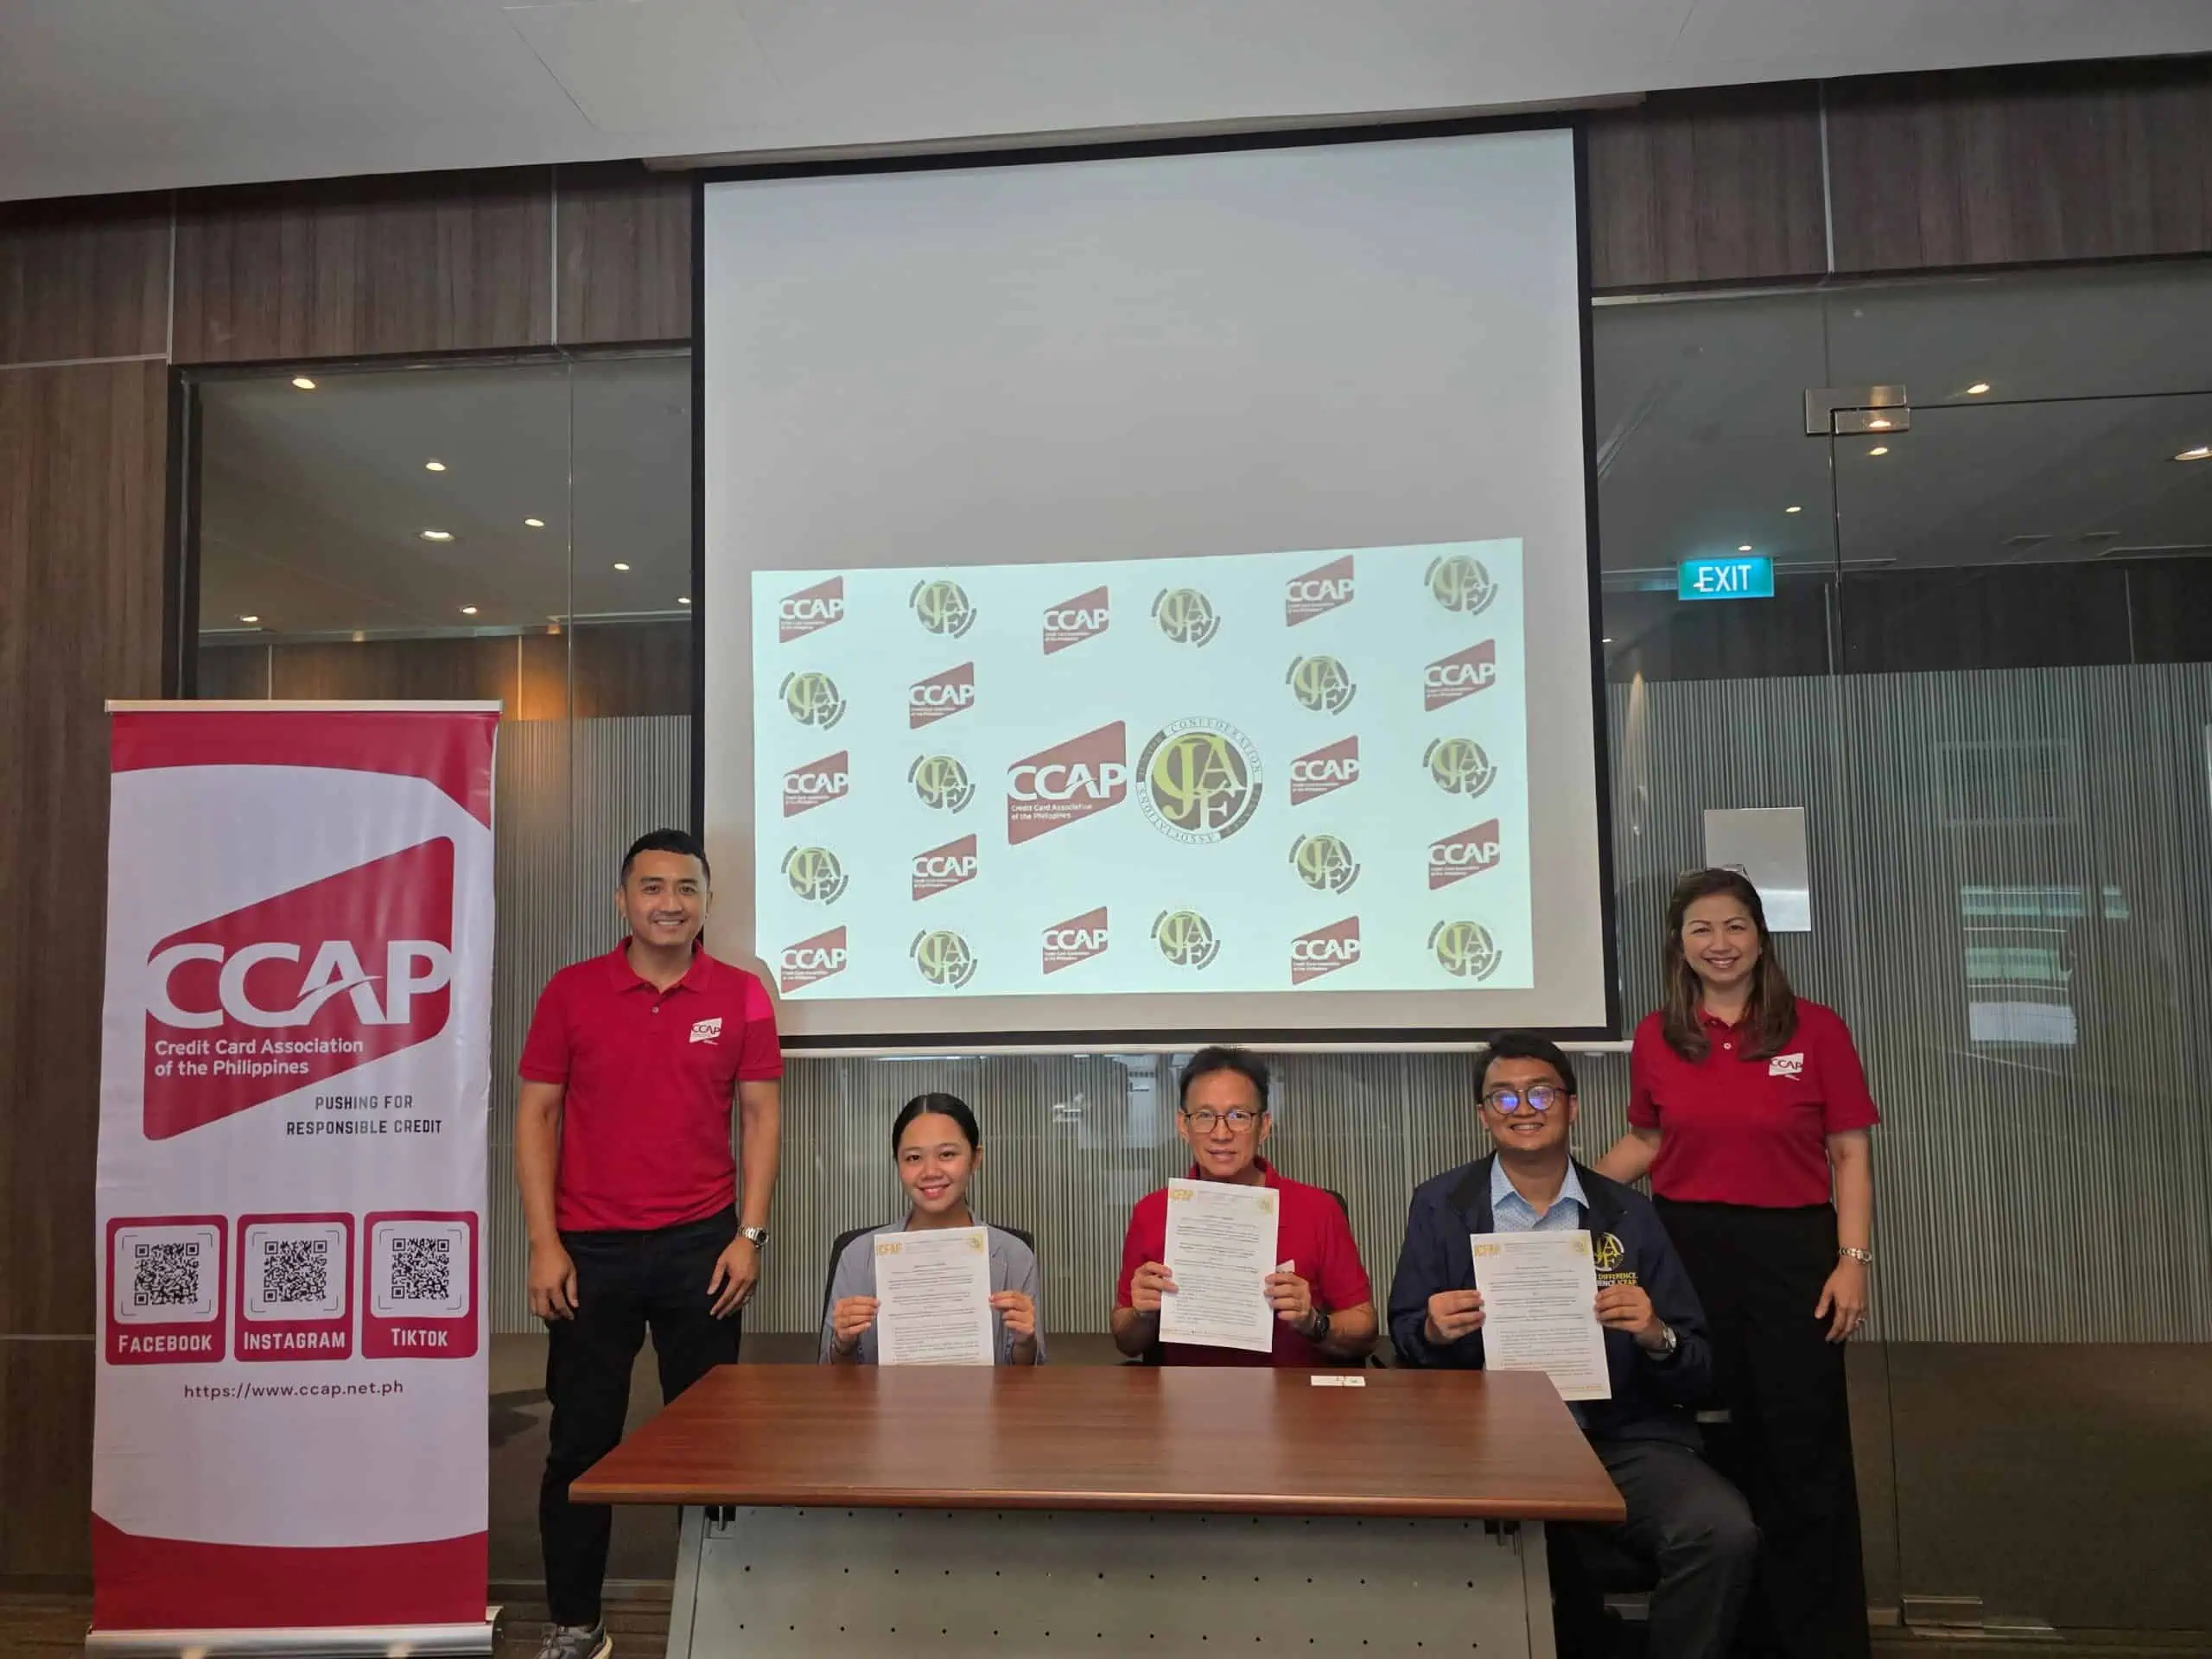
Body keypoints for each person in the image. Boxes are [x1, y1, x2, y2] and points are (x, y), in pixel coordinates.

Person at [1390, 1032, 1756, 1659]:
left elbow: (1697, 1366)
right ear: (1482, 1115)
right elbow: (1405, 1339)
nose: (1523, 1109)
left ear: (1573, 1106)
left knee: (1722, 1533)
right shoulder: (1441, 1205)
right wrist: (1431, 1330)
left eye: (1541, 1093)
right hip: (1485, 1441)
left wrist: (1656, 1335)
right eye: (1503, 1097)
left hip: (1617, 1438)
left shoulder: (1628, 1214)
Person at [1593, 868, 1878, 1659]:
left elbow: (1850, 1154)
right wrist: (1568, 1200)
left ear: (1759, 936)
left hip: (1795, 1258)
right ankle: (1731, 1635)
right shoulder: (1659, 1033)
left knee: (1802, 1452)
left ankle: (1815, 1641)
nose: (1719, 944)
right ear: (1679, 946)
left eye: (1734, 926)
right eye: (1701, 930)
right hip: (1687, 1253)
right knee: (1710, 1444)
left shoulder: (1816, 1029)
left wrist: (1852, 1260)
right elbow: (1649, 1142)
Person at [515, 829, 784, 1659]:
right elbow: (536, 1115)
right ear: (622, 900)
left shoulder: (743, 994)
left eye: (687, 888)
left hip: (703, 1249)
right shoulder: (569, 992)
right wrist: (544, 1243)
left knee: (711, 1445)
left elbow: (762, 1117)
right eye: (653, 887)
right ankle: (575, 1624)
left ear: (708, 901)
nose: (670, 903)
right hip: (588, 1252)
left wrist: (749, 1235)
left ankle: (723, 1625)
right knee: (580, 1443)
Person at [1113, 1046, 1376, 1364]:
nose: (1221, 1134)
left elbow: (1365, 1328)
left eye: (1238, 1116)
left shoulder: (1318, 1209)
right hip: (1186, 1390)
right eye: (1205, 1116)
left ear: (1264, 1126)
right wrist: (1141, 1313)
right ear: (1183, 1126)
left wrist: (1313, 1322)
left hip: (1294, 1391)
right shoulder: (1152, 1211)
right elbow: (1125, 1340)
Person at [820, 1093, 1045, 1365]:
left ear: (976, 1159)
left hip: (982, 1395)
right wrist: (842, 1344)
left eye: (947, 1154)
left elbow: (1032, 1377)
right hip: (887, 1395)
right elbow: (828, 1374)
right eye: (914, 1158)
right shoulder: (856, 1256)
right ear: (898, 1164)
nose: (930, 1172)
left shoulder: (1015, 1255)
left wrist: (1025, 1343)